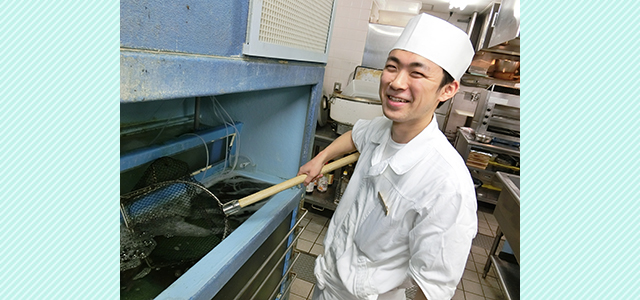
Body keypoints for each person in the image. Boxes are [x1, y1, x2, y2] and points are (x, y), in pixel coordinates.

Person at [297, 13, 478, 300]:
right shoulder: (382, 127)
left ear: (448, 89)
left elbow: (432, 288)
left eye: (417, 73)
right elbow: (356, 135)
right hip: (328, 281)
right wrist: (323, 157)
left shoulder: (447, 184)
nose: (396, 82)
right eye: (392, 67)